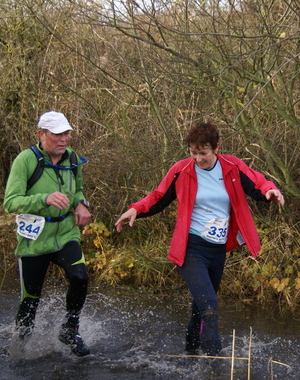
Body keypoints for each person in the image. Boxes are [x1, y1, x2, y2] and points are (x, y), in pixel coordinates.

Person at [115, 122, 284, 356]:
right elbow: (159, 196)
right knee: (210, 308)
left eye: (203, 153)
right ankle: (215, 362)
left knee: (200, 309)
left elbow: (257, 183)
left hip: (217, 251)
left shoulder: (232, 166)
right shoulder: (181, 170)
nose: (198, 159)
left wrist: (270, 191)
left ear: (216, 148)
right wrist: (137, 209)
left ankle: (191, 356)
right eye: (193, 153)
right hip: (190, 249)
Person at [3, 111, 92, 357]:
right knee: (30, 299)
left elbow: (79, 189)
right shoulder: (26, 160)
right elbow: (11, 202)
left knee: (80, 277)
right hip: (34, 237)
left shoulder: (72, 158)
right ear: (41, 134)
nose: (64, 139)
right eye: (58, 134)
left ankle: (70, 328)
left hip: (66, 233)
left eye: (67, 133)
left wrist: (81, 203)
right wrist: (45, 198)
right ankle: (20, 346)